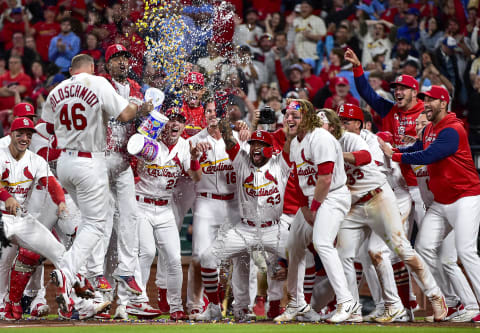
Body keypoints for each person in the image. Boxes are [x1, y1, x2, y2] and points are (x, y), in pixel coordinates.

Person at [40, 53, 140, 312]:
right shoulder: (97, 83)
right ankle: (69, 272)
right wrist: (139, 104)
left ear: (71, 69)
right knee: (97, 223)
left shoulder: (57, 89)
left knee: (88, 220)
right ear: (92, 68)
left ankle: (77, 296)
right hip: (89, 160)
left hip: (64, 163)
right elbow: (126, 114)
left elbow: (48, 128)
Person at [335, 104, 447, 322]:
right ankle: (360, 307)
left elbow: (366, 164)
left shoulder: (371, 141)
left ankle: (434, 295)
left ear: (358, 124)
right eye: (339, 121)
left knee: (385, 250)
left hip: (383, 197)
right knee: (347, 254)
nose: (342, 125)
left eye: (346, 121)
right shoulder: (338, 140)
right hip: (358, 204)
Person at [379, 86, 480, 323]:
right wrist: (397, 149)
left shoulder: (454, 130)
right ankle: (459, 304)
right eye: (424, 100)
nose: (425, 104)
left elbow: (428, 155)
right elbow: (418, 147)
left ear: (444, 103)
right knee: (424, 249)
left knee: (466, 251)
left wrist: (394, 155)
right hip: (441, 201)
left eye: (431, 100)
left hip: (465, 197)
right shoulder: (430, 129)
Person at [0, 117, 109, 319]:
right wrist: (6, 197)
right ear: (11, 134)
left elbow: (51, 183)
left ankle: (83, 304)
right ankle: (6, 304)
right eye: (20, 134)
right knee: (4, 259)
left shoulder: (35, 160)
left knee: (61, 253)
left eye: (28, 134)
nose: (24, 138)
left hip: (21, 219)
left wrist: (59, 201)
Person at [83, 44, 156, 320]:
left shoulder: (137, 88)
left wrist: (150, 121)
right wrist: (141, 110)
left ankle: (125, 273)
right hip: (102, 159)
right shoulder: (101, 85)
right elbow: (119, 114)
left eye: (125, 58)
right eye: (116, 58)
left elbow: (140, 124)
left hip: (124, 163)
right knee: (101, 225)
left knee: (130, 220)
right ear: (107, 63)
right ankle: (97, 283)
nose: (122, 62)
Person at [196, 125, 292, 321]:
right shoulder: (242, 161)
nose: (255, 148)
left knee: (303, 260)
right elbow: (228, 138)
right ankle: (220, 307)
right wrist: (226, 123)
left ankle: (300, 306)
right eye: (253, 144)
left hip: (274, 228)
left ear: (269, 148)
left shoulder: (279, 163)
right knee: (207, 258)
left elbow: (291, 141)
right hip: (244, 229)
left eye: (261, 144)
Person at [274, 99, 355, 323]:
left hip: (333, 196)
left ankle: (346, 302)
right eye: (287, 115)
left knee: (321, 243)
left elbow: (326, 178)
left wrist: (314, 208)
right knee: (293, 247)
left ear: (308, 117)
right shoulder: (296, 143)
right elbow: (297, 180)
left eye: (295, 115)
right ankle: (296, 304)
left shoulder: (321, 139)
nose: (289, 119)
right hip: (312, 198)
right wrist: (304, 208)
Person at [344, 48, 426, 243]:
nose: (397, 92)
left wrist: (415, 142)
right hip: (398, 184)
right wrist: (357, 67)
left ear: (415, 92)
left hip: (423, 182)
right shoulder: (389, 109)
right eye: (395, 89)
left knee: (428, 241)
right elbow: (367, 93)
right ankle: (408, 274)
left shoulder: (426, 112)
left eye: (402, 89)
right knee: (398, 239)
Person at [133, 107, 207, 321]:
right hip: (142, 206)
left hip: (165, 207)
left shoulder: (185, 146)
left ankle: (175, 306)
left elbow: (196, 177)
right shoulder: (149, 140)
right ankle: (140, 301)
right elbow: (130, 157)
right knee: (146, 253)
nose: (175, 124)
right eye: (171, 119)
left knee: (174, 258)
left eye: (180, 120)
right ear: (163, 123)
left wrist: (194, 158)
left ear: (184, 125)